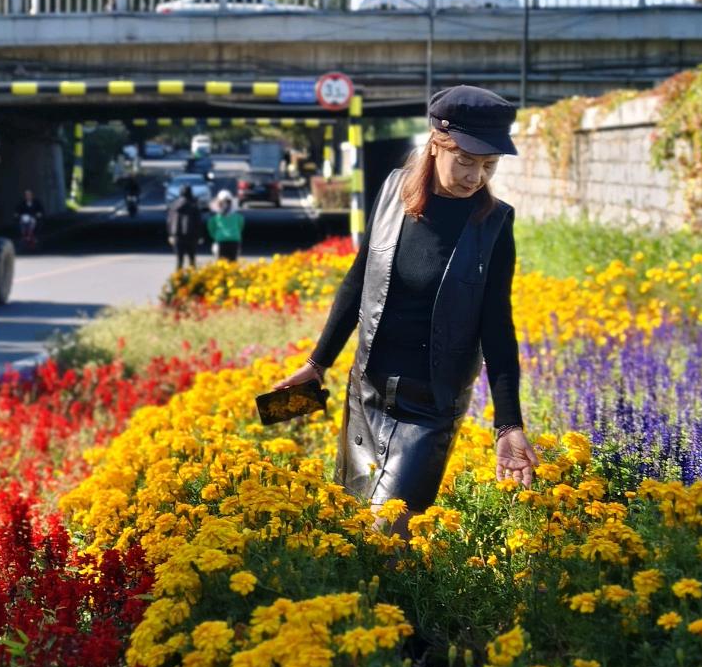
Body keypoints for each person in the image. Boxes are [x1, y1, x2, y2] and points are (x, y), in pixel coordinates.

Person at [274, 85, 538, 538]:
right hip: (367, 394)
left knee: (387, 533)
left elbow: (497, 327)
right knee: (349, 526)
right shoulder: (393, 191)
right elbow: (359, 279)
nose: (476, 177)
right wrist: (317, 364)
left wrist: (508, 424)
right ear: (437, 143)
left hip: (430, 408)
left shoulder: (494, 223)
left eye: (489, 165)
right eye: (466, 161)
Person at [167, 184, 202, 270]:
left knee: (179, 260)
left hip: (177, 235)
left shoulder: (174, 205)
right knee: (192, 260)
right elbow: (198, 222)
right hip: (191, 235)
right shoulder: (194, 205)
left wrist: (170, 234)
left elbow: (169, 221)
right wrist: (199, 235)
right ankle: (193, 277)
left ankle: (178, 277)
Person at [207, 189, 245, 261]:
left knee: (221, 263)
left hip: (221, 240)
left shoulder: (215, 218)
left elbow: (211, 228)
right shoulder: (238, 217)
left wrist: (216, 236)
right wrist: (234, 233)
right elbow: (240, 226)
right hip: (235, 239)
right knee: (233, 262)